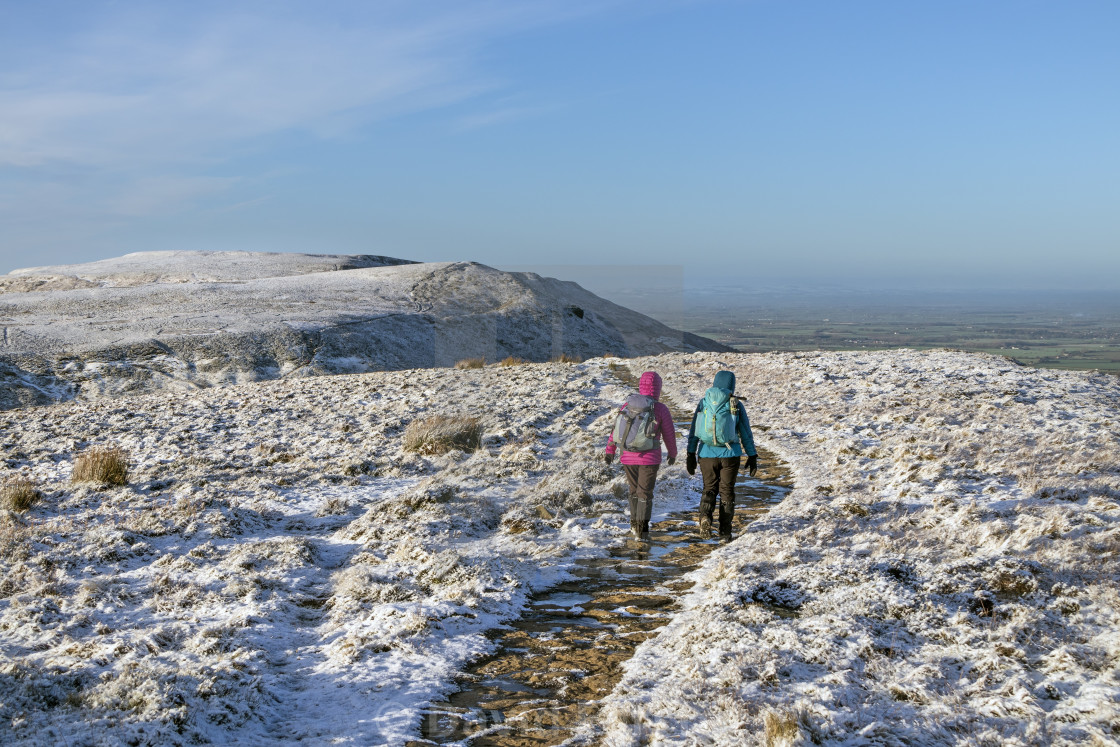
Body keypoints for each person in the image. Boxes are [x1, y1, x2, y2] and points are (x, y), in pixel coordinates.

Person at [685, 369, 758, 540]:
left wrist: (690, 453)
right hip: (730, 455)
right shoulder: (735, 404)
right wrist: (752, 455)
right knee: (727, 491)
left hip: (706, 454)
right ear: (732, 385)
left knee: (709, 488)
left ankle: (705, 518)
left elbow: (695, 430)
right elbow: (745, 432)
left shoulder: (704, 402)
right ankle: (725, 532)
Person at [605, 371, 678, 540]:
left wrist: (610, 451)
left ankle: (633, 524)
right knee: (645, 492)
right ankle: (642, 531)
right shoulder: (660, 408)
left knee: (633, 490)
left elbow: (616, 430)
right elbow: (669, 434)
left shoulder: (627, 405)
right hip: (650, 458)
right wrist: (672, 454)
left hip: (627, 456)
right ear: (658, 388)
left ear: (640, 385)